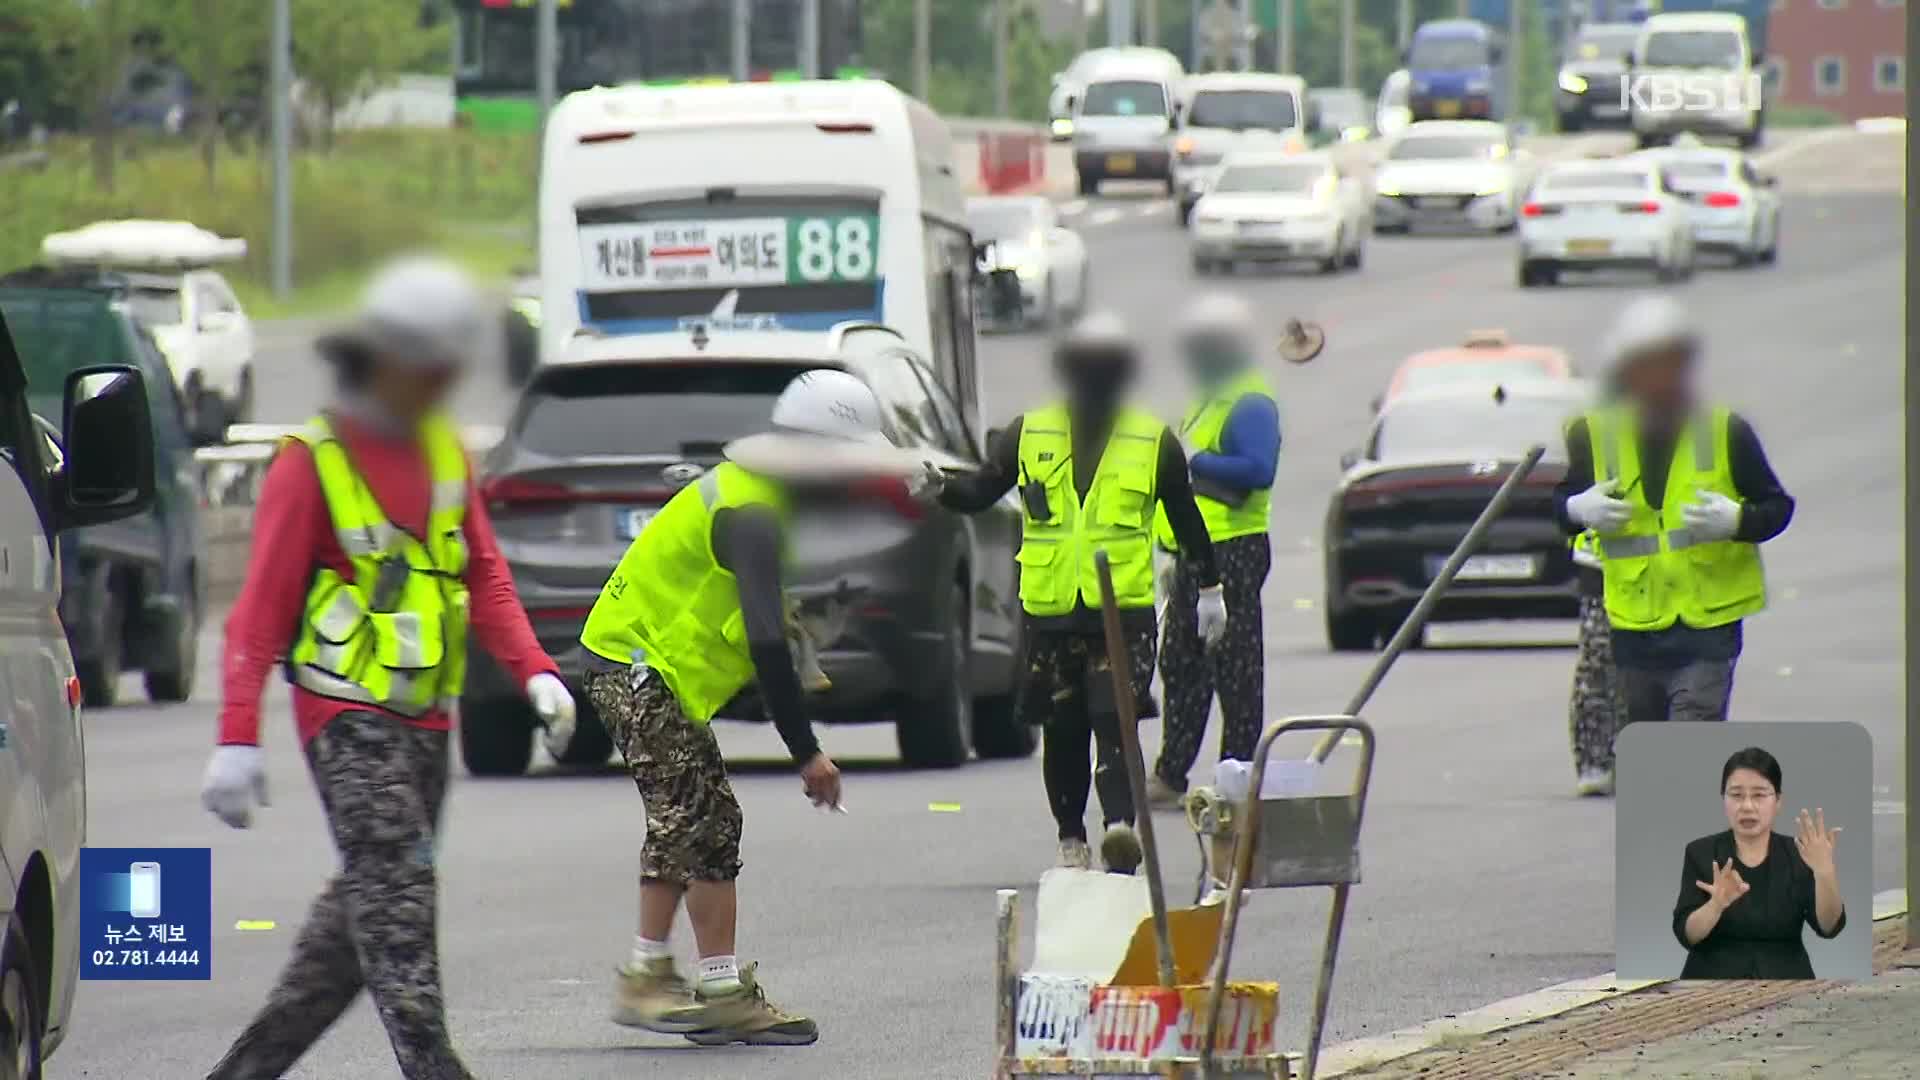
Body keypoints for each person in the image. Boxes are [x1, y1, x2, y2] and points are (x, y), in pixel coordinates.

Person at [199, 257, 576, 1080]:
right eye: (431, 367)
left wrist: (534, 670)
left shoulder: (445, 454)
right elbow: (259, 610)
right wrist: (237, 738)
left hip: (426, 720)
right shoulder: (312, 461)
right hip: (346, 714)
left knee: (358, 925)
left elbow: (483, 572)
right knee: (400, 905)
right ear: (388, 360)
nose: (443, 383)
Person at [575, 368, 925, 1046]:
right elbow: (763, 639)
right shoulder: (756, 513)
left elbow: (752, 618)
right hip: (637, 667)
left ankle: (671, 977)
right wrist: (809, 752)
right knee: (703, 818)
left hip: (637, 666)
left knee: (691, 818)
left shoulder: (753, 495)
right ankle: (707, 987)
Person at [919, 312, 1228, 872]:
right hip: (1052, 613)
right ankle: (1071, 839)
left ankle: (1118, 828)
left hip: (1122, 614)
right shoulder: (1028, 433)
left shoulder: (1153, 441)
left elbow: (1186, 522)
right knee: (1061, 730)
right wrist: (941, 489)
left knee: (1116, 718)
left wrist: (1209, 588)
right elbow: (983, 490)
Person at [1554, 296, 1794, 726]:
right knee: (1648, 753)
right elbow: (1558, 508)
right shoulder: (1592, 435)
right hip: (1634, 626)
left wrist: (1738, 521)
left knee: (1691, 735)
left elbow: (1777, 507)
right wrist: (1577, 509)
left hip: (1708, 627)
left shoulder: (1725, 430)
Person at [1145, 293, 1280, 808]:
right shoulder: (1210, 396)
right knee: (1180, 662)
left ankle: (1237, 775)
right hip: (1193, 551)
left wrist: (1199, 460)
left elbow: (1258, 469)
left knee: (1236, 666)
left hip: (1233, 550)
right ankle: (1171, 773)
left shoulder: (1249, 401)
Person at [1672, 747, 1845, 979]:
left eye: (1759, 795)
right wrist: (1716, 905)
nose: (1747, 806)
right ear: (1723, 799)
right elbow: (1687, 935)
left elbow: (1829, 927)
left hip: (1787, 982)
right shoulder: (1701, 853)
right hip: (1710, 985)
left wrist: (1825, 873)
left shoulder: (1800, 854)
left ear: (1778, 801)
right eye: (1736, 795)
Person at [1567, 530, 1628, 797]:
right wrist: (1575, 507)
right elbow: (1566, 501)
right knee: (1598, 664)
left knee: (1649, 673)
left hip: (1675, 570)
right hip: (1602, 565)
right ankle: (1594, 760)